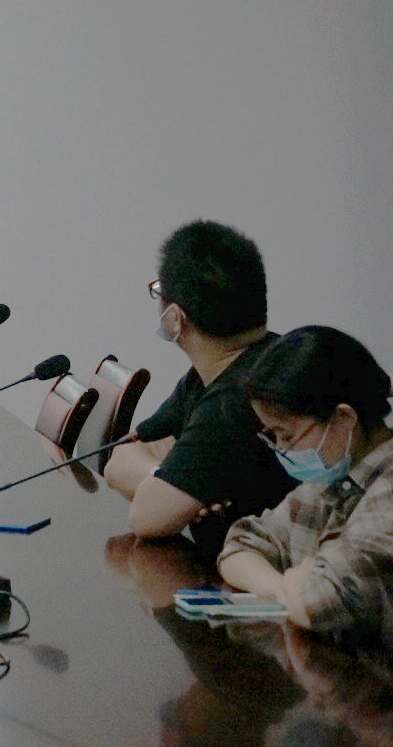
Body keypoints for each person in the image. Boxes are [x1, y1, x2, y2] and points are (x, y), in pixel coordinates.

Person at [218, 326, 393, 735]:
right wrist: (283, 588)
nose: (282, 451)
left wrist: (297, 591)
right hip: (357, 716)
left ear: (344, 419)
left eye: (287, 436)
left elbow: (314, 603)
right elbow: (241, 541)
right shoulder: (337, 481)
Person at [103, 220, 296, 553]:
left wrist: (169, 486)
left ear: (175, 318)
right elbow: (122, 454)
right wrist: (166, 477)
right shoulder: (223, 371)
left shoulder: (234, 400)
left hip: (255, 576)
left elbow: (147, 517)